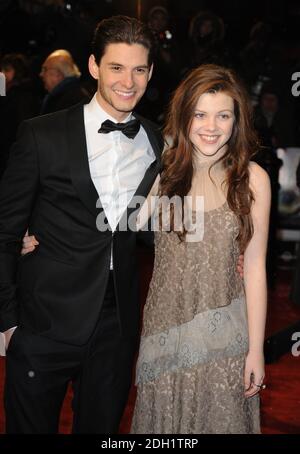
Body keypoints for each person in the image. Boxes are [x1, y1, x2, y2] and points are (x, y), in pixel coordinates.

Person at [0, 15, 163, 434]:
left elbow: (164, 222)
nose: (128, 81)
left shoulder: (160, 141)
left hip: (117, 326)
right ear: (93, 66)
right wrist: (7, 322)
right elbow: (4, 231)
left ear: (150, 73)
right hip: (42, 323)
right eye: (116, 67)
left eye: (139, 69)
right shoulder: (41, 134)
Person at [131, 64, 271, 434]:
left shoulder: (253, 179)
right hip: (165, 332)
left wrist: (256, 348)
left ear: (236, 119)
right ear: (184, 117)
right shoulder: (160, 174)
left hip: (226, 341)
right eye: (200, 114)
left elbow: (255, 268)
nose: (211, 126)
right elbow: (113, 229)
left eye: (223, 115)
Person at [39, 49, 90, 114]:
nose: (41, 74)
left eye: (45, 69)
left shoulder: (69, 101)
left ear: (59, 73)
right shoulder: (77, 94)